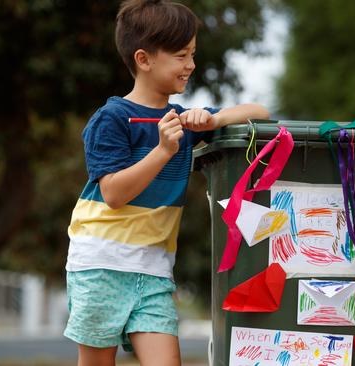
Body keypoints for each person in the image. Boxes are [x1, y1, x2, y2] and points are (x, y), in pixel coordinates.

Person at [63, 0, 269, 364]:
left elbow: (260, 113)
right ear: (144, 59)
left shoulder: (182, 120)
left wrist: (212, 120)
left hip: (154, 271)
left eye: (192, 54)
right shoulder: (111, 118)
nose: (190, 64)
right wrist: (162, 150)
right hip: (101, 265)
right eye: (180, 55)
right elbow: (113, 193)